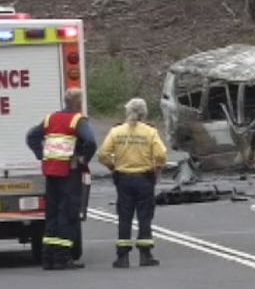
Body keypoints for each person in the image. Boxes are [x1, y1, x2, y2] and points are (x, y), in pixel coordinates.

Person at [25, 87, 97, 270]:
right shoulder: (77, 120)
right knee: (67, 213)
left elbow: (31, 136)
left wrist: (42, 154)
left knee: (53, 213)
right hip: (68, 172)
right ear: (78, 103)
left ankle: (48, 257)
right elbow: (90, 142)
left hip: (51, 172)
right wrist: (83, 159)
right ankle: (62, 258)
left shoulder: (51, 118)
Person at [97, 98, 167, 268]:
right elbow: (161, 155)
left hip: (124, 179)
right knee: (144, 216)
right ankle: (145, 255)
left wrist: (113, 167)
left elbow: (102, 154)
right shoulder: (150, 132)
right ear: (144, 113)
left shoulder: (117, 131)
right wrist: (157, 171)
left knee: (124, 217)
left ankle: (122, 257)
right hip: (144, 178)